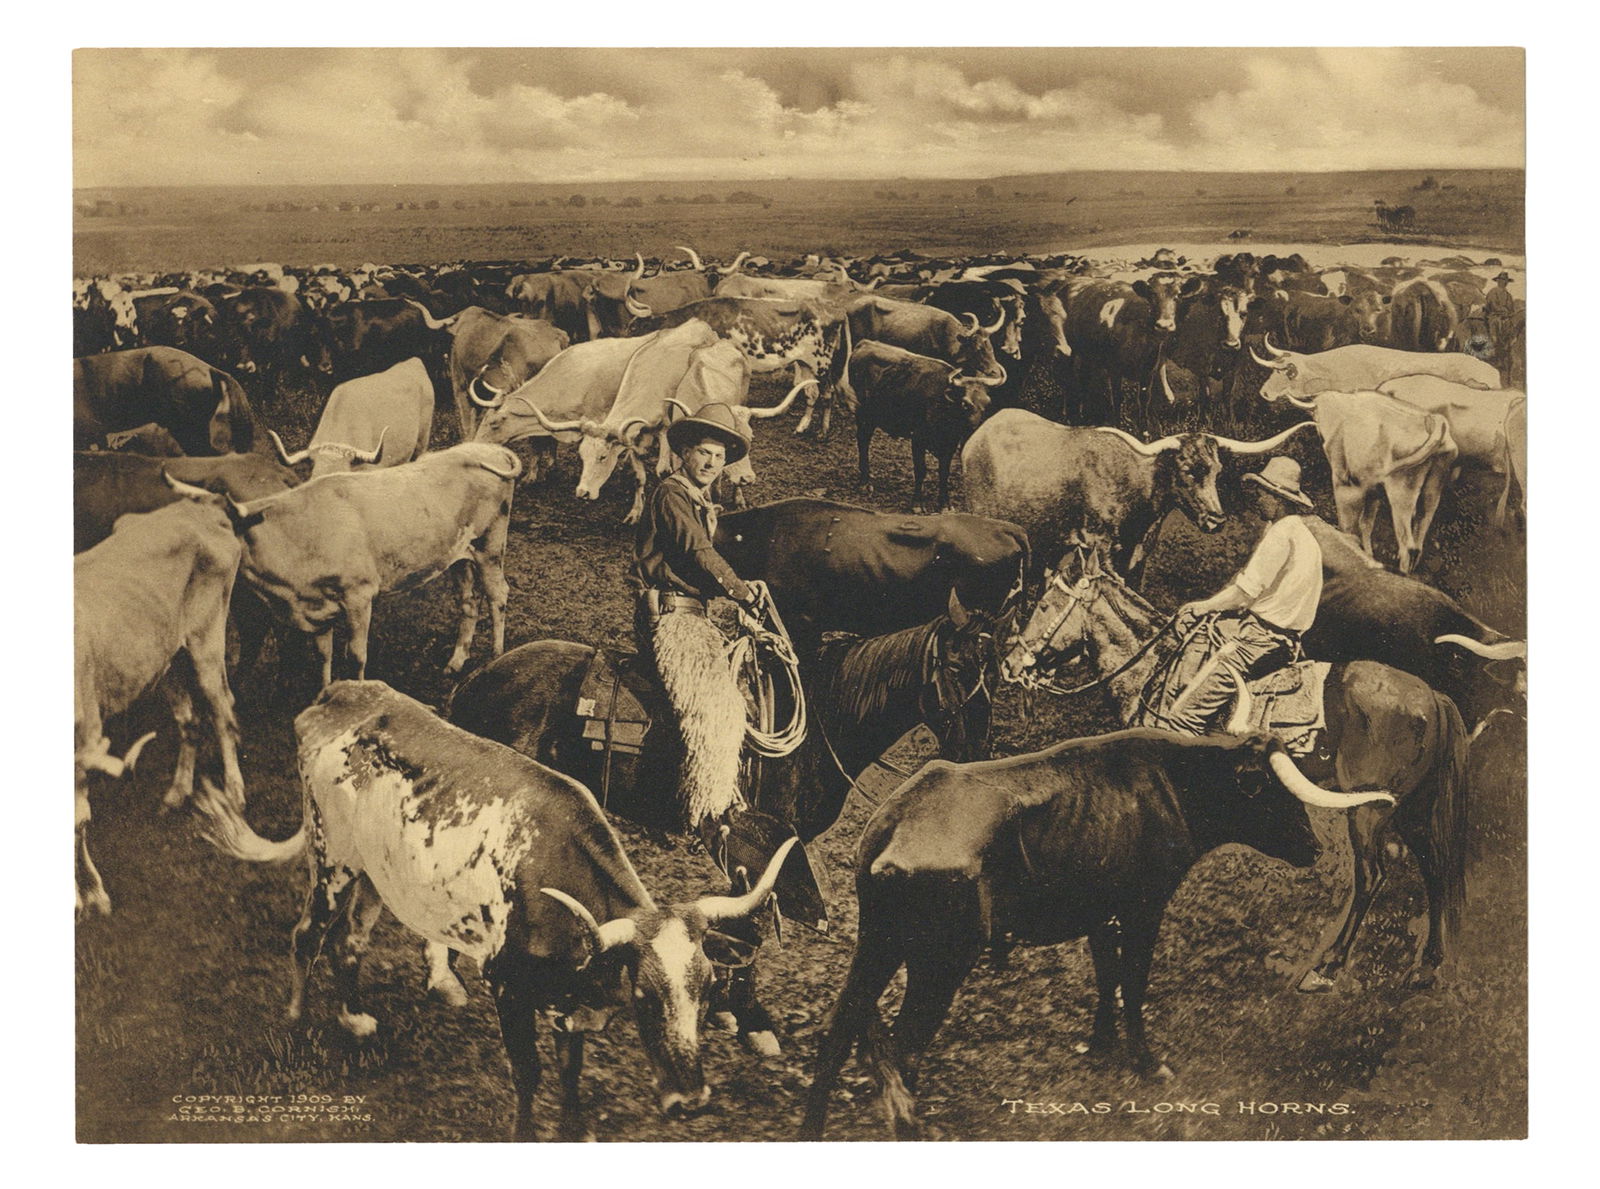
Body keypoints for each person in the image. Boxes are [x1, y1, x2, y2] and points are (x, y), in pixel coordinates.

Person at [631, 402, 764, 830]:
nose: (711, 462)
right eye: (704, 452)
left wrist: (746, 584)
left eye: (719, 457)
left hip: (694, 613)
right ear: (685, 452)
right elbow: (697, 552)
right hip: (673, 616)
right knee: (719, 706)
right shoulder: (671, 493)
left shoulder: (696, 498)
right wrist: (741, 592)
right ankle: (704, 809)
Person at [1159, 456, 1322, 735]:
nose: (1257, 498)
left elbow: (1243, 596)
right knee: (1202, 638)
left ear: (1278, 498)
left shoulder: (1281, 534)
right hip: (1286, 639)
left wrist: (1202, 607)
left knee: (1183, 716)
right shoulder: (1303, 535)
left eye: (1262, 493)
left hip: (1259, 641)